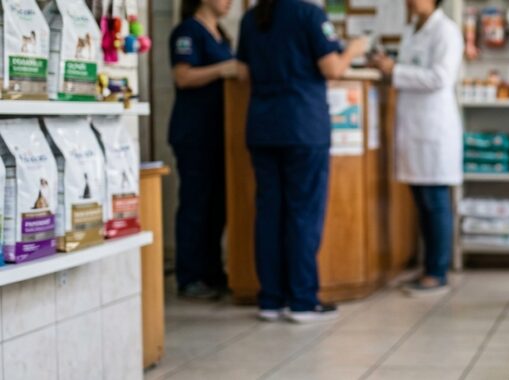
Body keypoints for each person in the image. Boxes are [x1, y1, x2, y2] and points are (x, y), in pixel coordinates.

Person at [236, 0, 367, 322]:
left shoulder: (253, 18)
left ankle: (270, 300)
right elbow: (333, 69)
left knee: (269, 213)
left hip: (263, 127)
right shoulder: (310, 14)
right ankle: (302, 300)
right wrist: (354, 49)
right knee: (303, 214)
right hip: (302, 127)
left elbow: (242, 72)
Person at [369, 0, 463, 296]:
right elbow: (410, 70)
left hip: (434, 128)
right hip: (414, 127)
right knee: (422, 202)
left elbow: (440, 77)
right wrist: (390, 67)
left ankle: (437, 272)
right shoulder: (412, 30)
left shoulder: (446, 31)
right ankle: (428, 269)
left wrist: (395, 70)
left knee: (435, 202)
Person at [169, 0, 236, 299]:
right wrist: (224, 69)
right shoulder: (188, 32)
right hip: (194, 133)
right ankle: (190, 276)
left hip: (220, 133)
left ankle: (212, 272)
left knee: (217, 207)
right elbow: (182, 77)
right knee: (196, 204)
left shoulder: (222, 33)